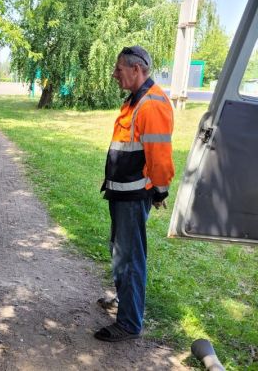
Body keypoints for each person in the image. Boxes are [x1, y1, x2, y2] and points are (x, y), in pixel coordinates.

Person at [94, 46, 174, 342]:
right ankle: (123, 300)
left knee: (130, 258)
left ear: (136, 69)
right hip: (121, 193)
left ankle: (129, 323)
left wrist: (160, 192)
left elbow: (161, 158)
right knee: (119, 251)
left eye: (118, 69)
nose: (115, 74)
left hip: (133, 195)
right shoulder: (136, 101)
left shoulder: (151, 105)